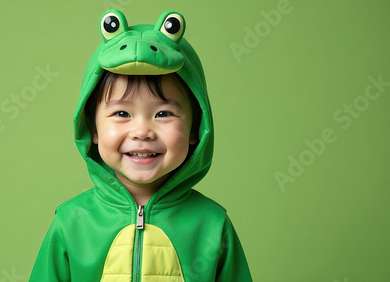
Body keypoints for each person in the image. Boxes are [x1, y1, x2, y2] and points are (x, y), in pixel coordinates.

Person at [29, 9, 252, 281]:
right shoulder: (71, 223)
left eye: (163, 114)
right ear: (93, 128)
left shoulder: (213, 226)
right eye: (122, 114)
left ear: (195, 129)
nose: (142, 132)